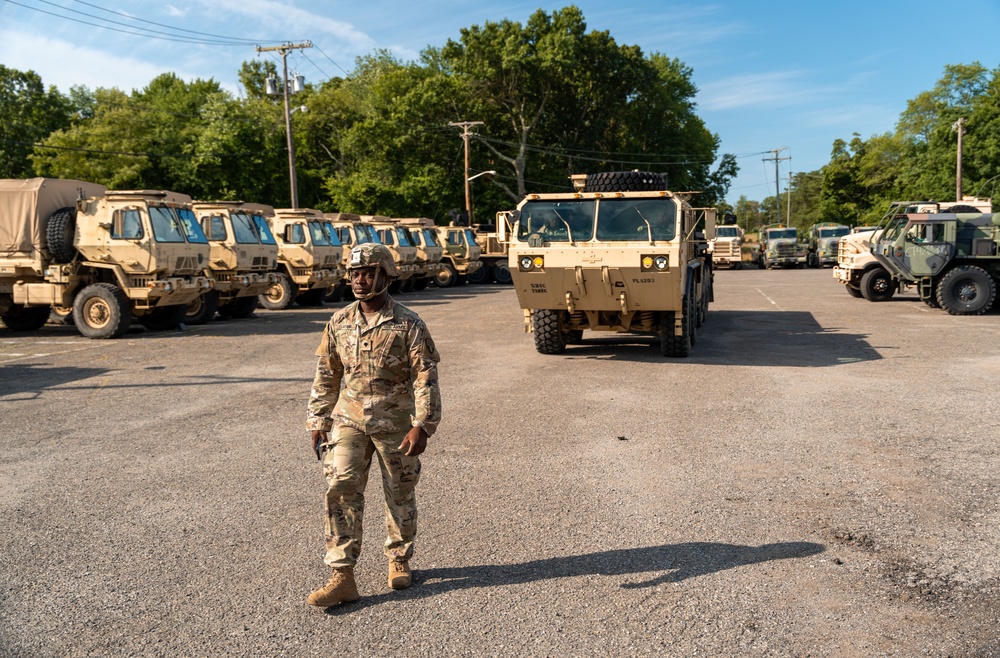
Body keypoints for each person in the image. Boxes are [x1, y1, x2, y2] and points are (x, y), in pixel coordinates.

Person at [305, 243, 441, 608]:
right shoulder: (339, 322)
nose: (359, 280)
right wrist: (318, 418)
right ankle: (342, 575)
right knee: (341, 486)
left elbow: (425, 376)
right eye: (354, 273)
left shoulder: (408, 323)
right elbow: (327, 374)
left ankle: (399, 558)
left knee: (399, 490)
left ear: (385, 275)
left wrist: (423, 425)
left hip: (396, 422)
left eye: (367, 273)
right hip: (349, 419)